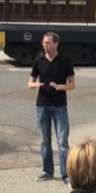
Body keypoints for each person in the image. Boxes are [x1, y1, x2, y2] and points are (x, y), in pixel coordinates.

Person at [28, 32, 75, 183]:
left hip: (60, 106)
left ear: (56, 44)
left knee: (62, 142)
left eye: (48, 42)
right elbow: (29, 83)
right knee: (44, 141)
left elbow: (72, 85)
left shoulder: (65, 61)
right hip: (42, 106)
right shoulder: (38, 60)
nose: (45, 45)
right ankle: (47, 171)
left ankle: (66, 175)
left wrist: (60, 86)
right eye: (43, 42)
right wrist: (35, 85)